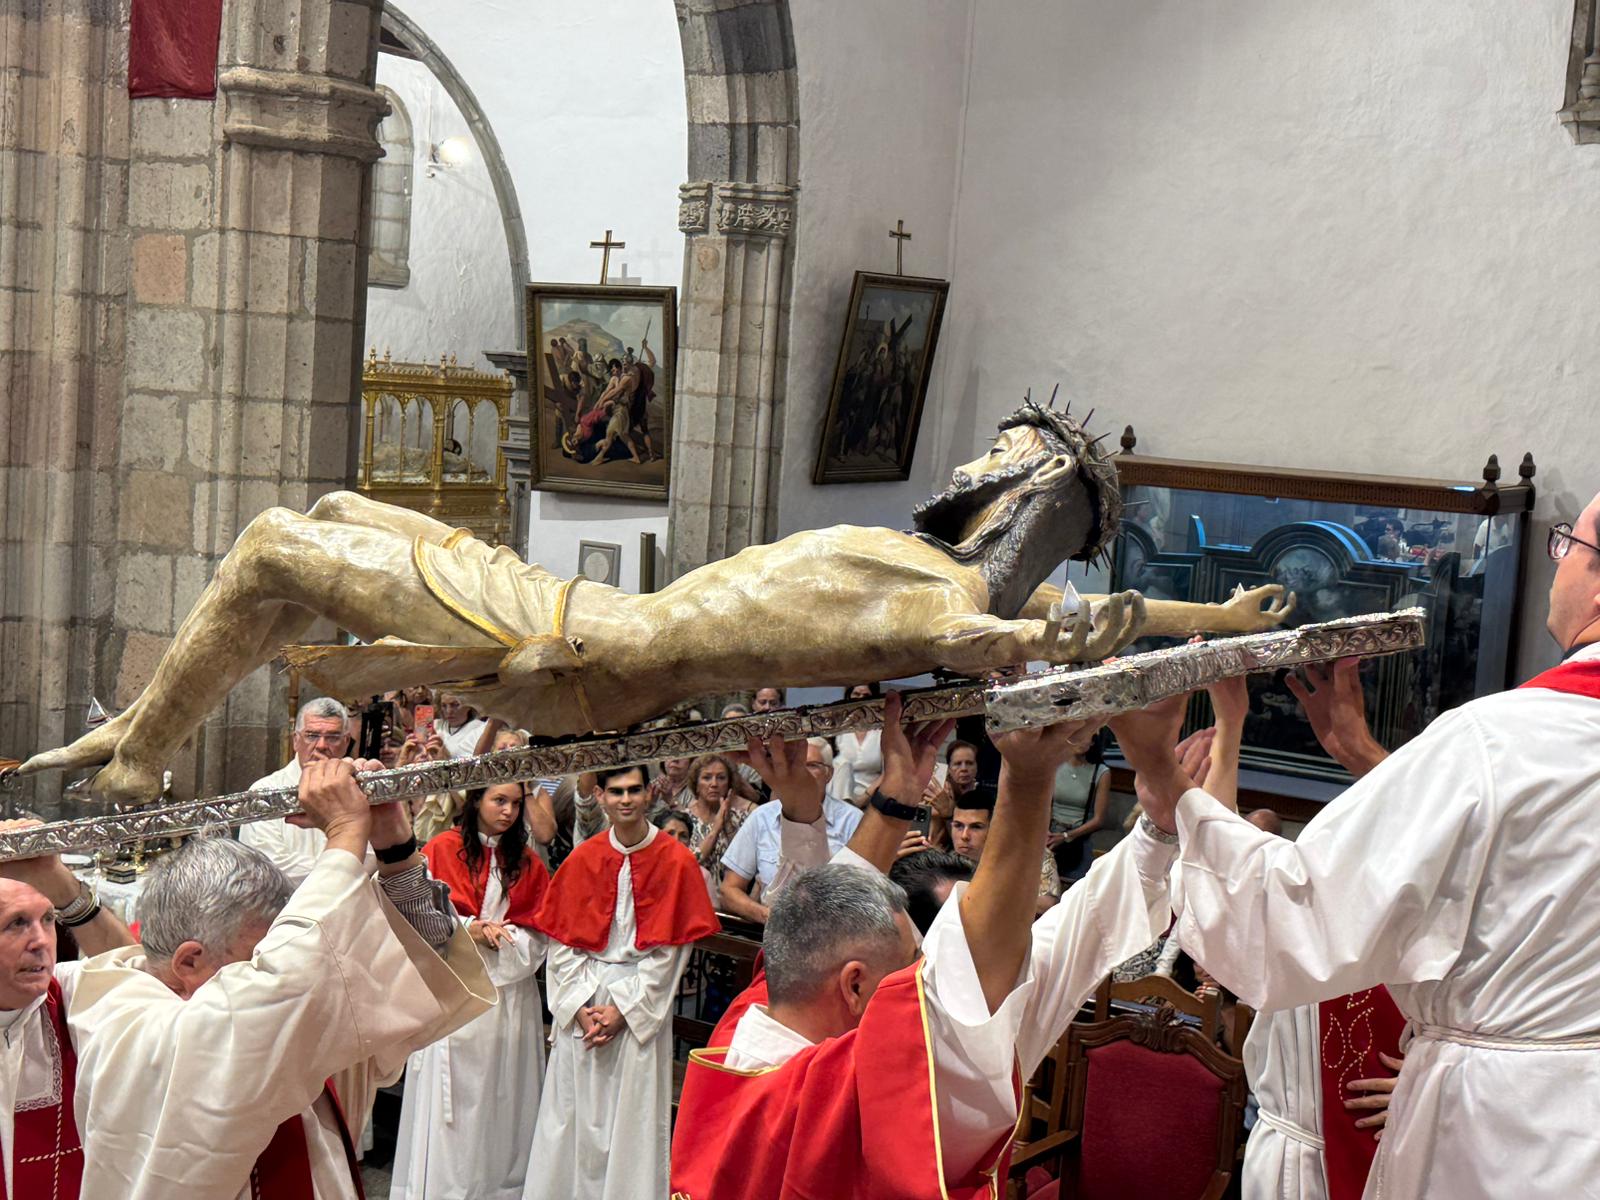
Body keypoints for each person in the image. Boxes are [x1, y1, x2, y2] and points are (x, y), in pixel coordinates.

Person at [1112, 502, 1600, 1200]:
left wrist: (1163, 775)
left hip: (1501, 1138)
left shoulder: (1495, 740)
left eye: (1569, 543)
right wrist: (1365, 756)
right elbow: (1508, 864)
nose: (1558, 562)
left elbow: (1286, 928)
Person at [672, 689, 1181, 1199]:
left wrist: (881, 801)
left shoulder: (752, 1017)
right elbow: (968, 984)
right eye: (914, 965)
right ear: (854, 986)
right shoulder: (862, 1093)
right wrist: (1028, 777)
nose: (921, 975)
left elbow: (819, 911)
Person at [67, 759, 495, 1199]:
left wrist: (394, 847)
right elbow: (291, 973)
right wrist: (346, 830)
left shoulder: (291, 1018)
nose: (279, 962)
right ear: (190, 961)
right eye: (259, 956)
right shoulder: (141, 1029)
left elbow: (419, 957)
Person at [524, 763, 719, 1200]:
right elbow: (562, 943)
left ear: (650, 793)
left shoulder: (675, 859)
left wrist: (625, 1010)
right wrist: (576, 1004)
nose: (626, 800)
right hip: (585, 998)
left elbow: (672, 950)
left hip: (637, 1003)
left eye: (633, 790)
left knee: (631, 1118)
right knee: (569, 1115)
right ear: (603, 797)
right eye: (616, 792)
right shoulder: (585, 857)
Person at [393, 783, 551, 1200]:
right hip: (455, 990)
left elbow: (539, 932)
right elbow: (421, 918)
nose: (509, 812)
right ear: (476, 799)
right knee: (455, 1111)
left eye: (516, 804)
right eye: (500, 801)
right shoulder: (441, 850)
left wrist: (505, 936)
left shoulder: (528, 862)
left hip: (508, 999)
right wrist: (469, 930)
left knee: (502, 1102)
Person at [0, 820, 134, 1199]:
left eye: (47, 919)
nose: (42, 941)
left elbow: (143, 977)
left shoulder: (72, 997)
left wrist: (54, 878)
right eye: (16, 924)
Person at [719, 737, 862, 924]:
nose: (802, 773)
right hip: (771, 932)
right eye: (797, 765)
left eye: (812, 765)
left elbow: (864, 895)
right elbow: (729, 890)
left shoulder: (853, 820)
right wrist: (768, 916)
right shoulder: (761, 817)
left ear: (829, 774)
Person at [241, 697, 375, 883]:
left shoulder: (359, 790)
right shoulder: (265, 792)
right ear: (296, 740)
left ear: (346, 742)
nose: (321, 745)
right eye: (312, 735)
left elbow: (372, 859)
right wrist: (346, 871)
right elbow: (268, 867)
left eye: (333, 737)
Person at [682, 753, 757, 875]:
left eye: (721, 778)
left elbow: (748, 865)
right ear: (696, 785)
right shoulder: (683, 820)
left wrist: (728, 825)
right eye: (706, 778)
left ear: (729, 785)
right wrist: (715, 829)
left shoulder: (744, 818)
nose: (714, 784)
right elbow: (686, 865)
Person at [828, 683, 884, 805]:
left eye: (866, 695)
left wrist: (865, 797)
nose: (860, 699)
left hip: (871, 797)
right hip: (836, 794)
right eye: (856, 694)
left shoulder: (881, 733)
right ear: (849, 696)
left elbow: (888, 773)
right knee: (842, 764)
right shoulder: (837, 729)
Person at [655, 810, 718, 907]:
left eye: (683, 836)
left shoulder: (702, 876)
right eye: (670, 833)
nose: (676, 840)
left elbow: (713, 916)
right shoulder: (647, 871)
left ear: (689, 842)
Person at [433, 691, 487, 759]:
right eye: (444, 706)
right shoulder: (435, 725)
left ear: (469, 705)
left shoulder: (481, 729)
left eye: (455, 705)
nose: (448, 711)